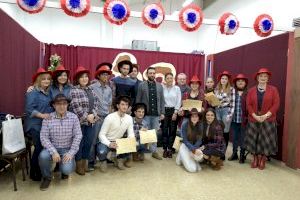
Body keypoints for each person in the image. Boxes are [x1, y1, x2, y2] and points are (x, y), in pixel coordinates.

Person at [39, 94, 82, 191]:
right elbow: (43, 137)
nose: (62, 106)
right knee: (43, 156)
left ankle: (64, 170)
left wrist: (71, 153)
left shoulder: (74, 118)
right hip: (52, 148)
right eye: (58, 104)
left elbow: (78, 136)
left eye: (64, 104)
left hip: (67, 149)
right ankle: (47, 177)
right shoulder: (48, 118)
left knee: (67, 170)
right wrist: (53, 151)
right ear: (54, 105)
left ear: (67, 105)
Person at [244, 68, 280, 170]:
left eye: (265, 76)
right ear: (257, 78)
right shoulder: (251, 90)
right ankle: (255, 158)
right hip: (254, 118)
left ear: (268, 78)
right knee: (254, 139)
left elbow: (276, 104)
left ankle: (263, 158)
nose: (263, 78)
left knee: (265, 140)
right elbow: (248, 105)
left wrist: (266, 115)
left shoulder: (273, 89)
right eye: (261, 76)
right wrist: (255, 116)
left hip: (268, 119)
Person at [69, 66, 100, 175]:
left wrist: (93, 115)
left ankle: (85, 163)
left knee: (88, 142)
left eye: (86, 77)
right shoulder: (74, 90)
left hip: (91, 122)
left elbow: (97, 103)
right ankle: (78, 165)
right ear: (77, 79)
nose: (84, 79)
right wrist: (87, 117)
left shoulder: (91, 89)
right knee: (79, 143)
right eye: (82, 77)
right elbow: (76, 106)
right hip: (80, 122)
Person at [24, 67, 53, 181]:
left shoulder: (48, 92)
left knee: (42, 148)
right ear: (38, 80)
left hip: (45, 125)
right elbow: (29, 109)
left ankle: (40, 170)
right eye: (43, 79)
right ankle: (34, 173)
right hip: (34, 125)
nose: (46, 81)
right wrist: (42, 115)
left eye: (48, 79)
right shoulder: (32, 92)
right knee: (39, 148)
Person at [97, 96, 135, 172]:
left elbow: (131, 133)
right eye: (122, 104)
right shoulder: (110, 117)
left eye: (126, 105)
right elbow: (101, 135)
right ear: (118, 106)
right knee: (102, 151)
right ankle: (103, 161)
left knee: (131, 143)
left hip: (118, 141)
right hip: (107, 141)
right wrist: (109, 144)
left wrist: (131, 141)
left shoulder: (129, 118)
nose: (125, 107)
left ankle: (119, 159)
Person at [87, 63, 113, 171]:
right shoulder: (91, 87)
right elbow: (88, 102)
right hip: (97, 118)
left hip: (106, 118)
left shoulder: (109, 89)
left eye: (107, 75)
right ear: (98, 76)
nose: (105, 77)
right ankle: (91, 162)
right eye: (103, 75)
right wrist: (93, 114)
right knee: (93, 140)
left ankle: (103, 158)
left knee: (104, 139)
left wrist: (110, 116)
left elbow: (110, 104)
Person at [136, 67, 165, 160]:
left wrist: (162, 112)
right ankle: (141, 152)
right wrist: (138, 113)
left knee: (154, 134)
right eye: (150, 73)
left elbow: (162, 100)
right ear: (147, 74)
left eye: (153, 73)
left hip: (156, 115)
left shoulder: (160, 86)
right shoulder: (141, 85)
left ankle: (154, 151)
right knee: (143, 133)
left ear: (155, 74)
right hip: (145, 115)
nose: (152, 75)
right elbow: (138, 100)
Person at [228, 74, 248, 163]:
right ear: (236, 83)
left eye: (242, 81)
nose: (240, 82)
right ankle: (234, 153)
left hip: (244, 120)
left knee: (243, 138)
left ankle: (242, 155)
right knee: (234, 138)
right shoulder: (232, 92)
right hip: (234, 119)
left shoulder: (248, 92)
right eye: (238, 81)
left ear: (245, 83)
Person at [214, 71, 235, 156]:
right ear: (220, 79)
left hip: (226, 110)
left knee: (225, 131)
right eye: (222, 78)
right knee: (218, 131)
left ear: (228, 80)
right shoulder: (216, 89)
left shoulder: (231, 89)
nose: (223, 80)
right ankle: (218, 150)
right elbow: (215, 102)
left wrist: (230, 115)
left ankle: (223, 152)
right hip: (217, 110)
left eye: (225, 78)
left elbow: (233, 104)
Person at [176, 108, 204, 173]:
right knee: (192, 169)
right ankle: (180, 156)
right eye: (192, 116)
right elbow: (185, 140)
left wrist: (195, 149)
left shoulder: (200, 125)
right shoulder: (185, 124)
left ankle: (188, 158)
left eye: (196, 116)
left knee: (199, 167)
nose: (194, 118)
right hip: (185, 145)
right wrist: (193, 150)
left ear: (198, 118)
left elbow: (200, 140)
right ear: (190, 117)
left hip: (194, 145)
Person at [162, 73, 181, 158]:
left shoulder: (177, 88)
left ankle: (170, 149)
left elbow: (179, 101)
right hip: (165, 111)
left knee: (172, 131)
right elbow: (161, 101)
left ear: (173, 79)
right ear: (165, 79)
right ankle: (165, 149)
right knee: (165, 130)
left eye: (171, 78)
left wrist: (175, 112)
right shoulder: (162, 88)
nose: (169, 79)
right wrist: (162, 112)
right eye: (168, 78)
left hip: (173, 111)